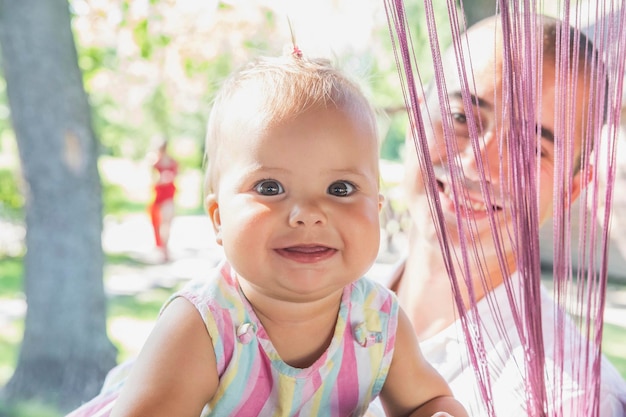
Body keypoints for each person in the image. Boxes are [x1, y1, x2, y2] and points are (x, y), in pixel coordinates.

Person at [73, 53, 468, 417]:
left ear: (377, 209)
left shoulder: (377, 321)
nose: (309, 214)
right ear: (218, 219)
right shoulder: (203, 326)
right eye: (269, 188)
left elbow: (430, 400)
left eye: (341, 189)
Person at [380, 13, 626, 417]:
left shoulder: (567, 401)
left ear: (570, 190)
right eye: (461, 118)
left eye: (532, 149)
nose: (479, 164)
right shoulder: (313, 299)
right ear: (416, 119)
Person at [149, 140, 178, 261]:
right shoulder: (154, 163)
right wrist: (161, 179)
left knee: (167, 223)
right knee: (158, 224)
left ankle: (166, 249)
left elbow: (176, 175)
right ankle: (162, 250)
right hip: (158, 197)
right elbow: (150, 180)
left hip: (169, 196)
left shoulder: (172, 162)